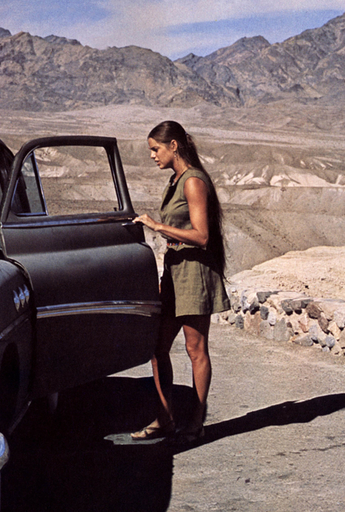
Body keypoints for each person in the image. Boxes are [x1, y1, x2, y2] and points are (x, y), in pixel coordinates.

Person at [131, 120, 230, 442]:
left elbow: (201, 236)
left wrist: (157, 226)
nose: (152, 155)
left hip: (194, 271)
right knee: (157, 348)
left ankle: (195, 423)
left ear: (174, 146)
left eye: (155, 149)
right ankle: (165, 419)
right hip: (175, 270)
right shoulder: (175, 180)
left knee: (195, 348)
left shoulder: (193, 182)